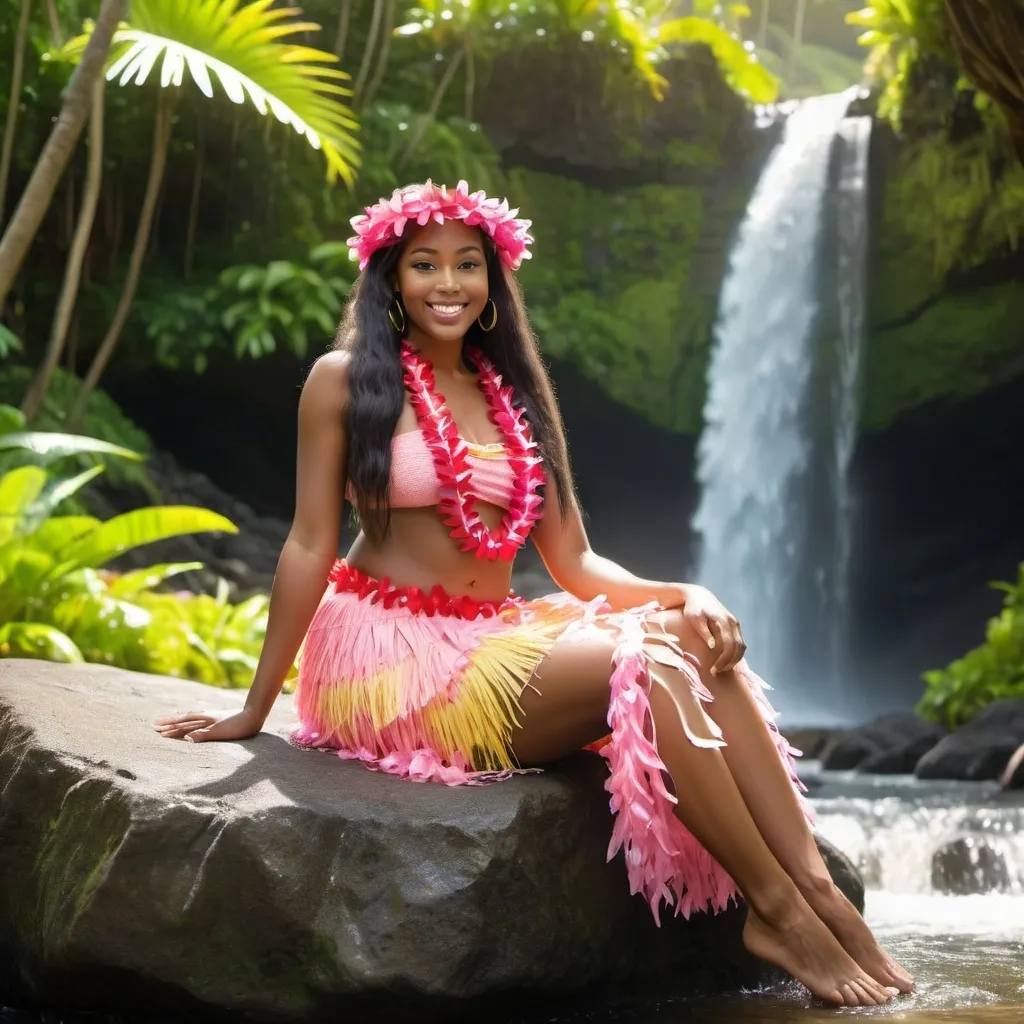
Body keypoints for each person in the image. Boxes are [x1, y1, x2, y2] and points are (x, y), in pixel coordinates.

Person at [155, 181, 914, 1007]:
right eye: (424, 264)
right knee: (649, 666)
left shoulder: (514, 398)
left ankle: (819, 891)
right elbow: (308, 544)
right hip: (393, 661)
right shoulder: (344, 381)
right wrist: (256, 706)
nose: (448, 282)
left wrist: (684, 591)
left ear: (492, 281)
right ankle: (775, 913)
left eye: (467, 265)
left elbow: (576, 561)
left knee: (691, 640)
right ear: (390, 279)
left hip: (491, 635)